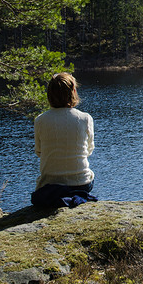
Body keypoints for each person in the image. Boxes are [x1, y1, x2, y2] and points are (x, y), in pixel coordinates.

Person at [32, 72, 96, 207]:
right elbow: (89, 150)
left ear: (49, 93)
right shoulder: (85, 118)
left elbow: (39, 152)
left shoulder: (40, 120)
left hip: (49, 186)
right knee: (88, 176)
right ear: (73, 91)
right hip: (81, 184)